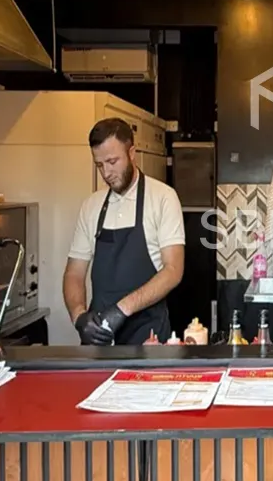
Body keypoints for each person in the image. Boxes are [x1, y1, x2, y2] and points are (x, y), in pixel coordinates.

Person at [62, 117, 185, 345]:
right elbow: (74, 273)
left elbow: (173, 270)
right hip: (100, 338)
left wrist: (121, 310)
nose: (106, 173)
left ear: (132, 153)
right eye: (99, 165)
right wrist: (79, 316)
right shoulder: (91, 206)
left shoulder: (163, 198)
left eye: (112, 161)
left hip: (148, 337)